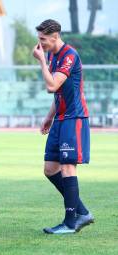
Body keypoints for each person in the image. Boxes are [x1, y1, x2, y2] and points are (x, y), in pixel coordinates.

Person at [32, 19, 94, 234]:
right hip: (59, 118)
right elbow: (58, 93)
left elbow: (51, 86)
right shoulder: (52, 55)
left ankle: (70, 223)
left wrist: (40, 61)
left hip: (73, 118)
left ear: (55, 36)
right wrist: (49, 116)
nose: (40, 44)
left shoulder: (69, 55)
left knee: (68, 167)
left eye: (43, 39)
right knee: (50, 169)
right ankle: (83, 212)